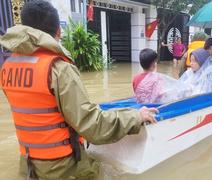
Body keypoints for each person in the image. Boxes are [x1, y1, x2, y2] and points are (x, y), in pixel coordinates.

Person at [0, 1, 157, 179]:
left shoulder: (8, 66)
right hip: (62, 167)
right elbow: (91, 125)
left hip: (28, 166)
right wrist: (136, 116)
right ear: (58, 31)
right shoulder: (57, 69)